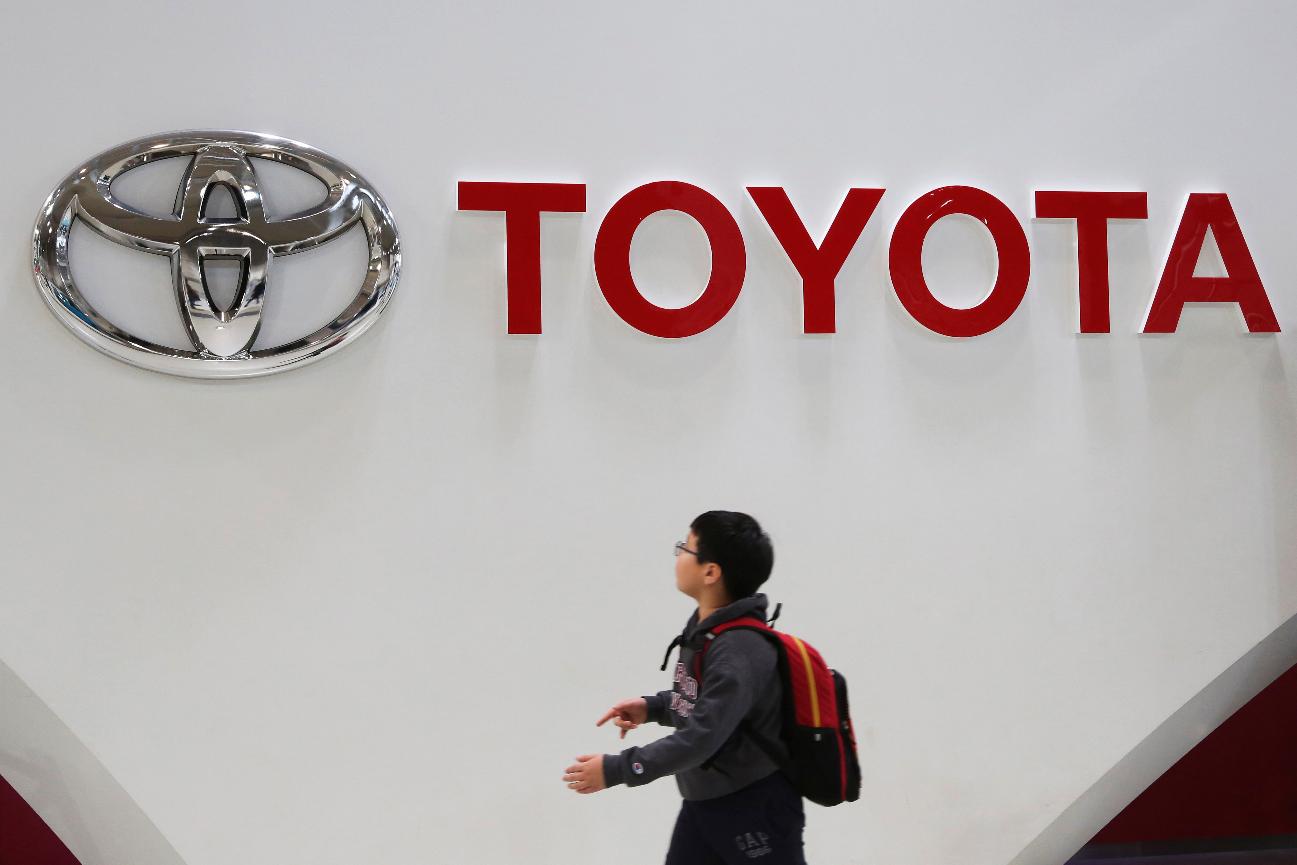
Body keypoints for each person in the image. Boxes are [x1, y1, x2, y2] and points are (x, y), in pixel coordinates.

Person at [562, 510, 808, 864]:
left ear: (711, 572)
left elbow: (701, 738)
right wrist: (654, 707)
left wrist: (616, 769)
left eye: (685, 548)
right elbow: (703, 704)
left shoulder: (738, 648)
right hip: (704, 804)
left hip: (754, 806)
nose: (678, 555)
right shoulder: (708, 629)